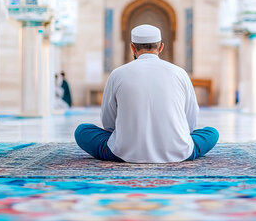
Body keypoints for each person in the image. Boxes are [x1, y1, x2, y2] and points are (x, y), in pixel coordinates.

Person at [74, 24, 219, 163]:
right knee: (211, 133)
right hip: (178, 151)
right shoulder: (179, 73)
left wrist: (123, 134)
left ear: (132, 47)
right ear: (161, 46)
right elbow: (191, 118)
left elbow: (108, 121)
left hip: (124, 153)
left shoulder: (117, 74)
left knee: (82, 131)